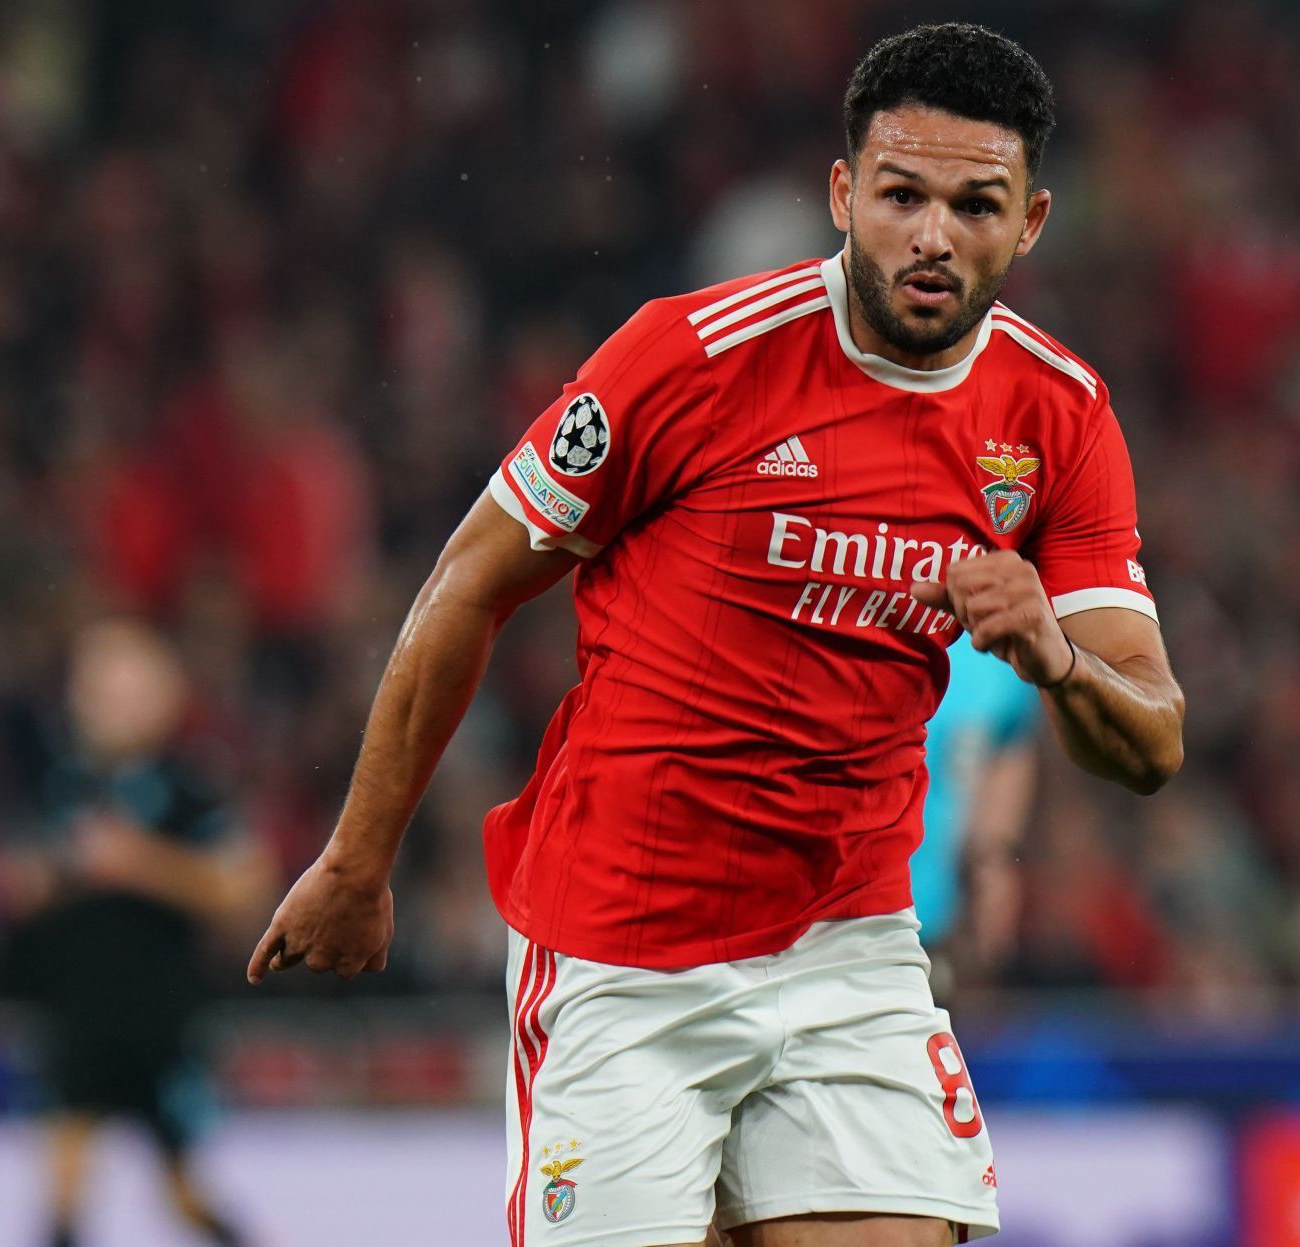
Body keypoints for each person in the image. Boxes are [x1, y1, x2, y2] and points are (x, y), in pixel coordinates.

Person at [249, 23, 1184, 1247]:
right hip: (625, 944)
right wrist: (357, 860)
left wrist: (1054, 657)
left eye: (975, 204)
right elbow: (467, 583)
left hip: (850, 941)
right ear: (843, 192)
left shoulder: (1057, 415)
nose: (933, 235)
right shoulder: (688, 359)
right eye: (901, 194)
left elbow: (1152, 736)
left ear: (1033, 221)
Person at [2, 619, 271, 1247]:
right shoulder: (59, 785)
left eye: (128, 691)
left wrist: (141, 864)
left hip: (161, 1018)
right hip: (76, 1014)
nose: (111, 706)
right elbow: (15, 884)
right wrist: (53, 875)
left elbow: (244, 884)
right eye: (98, 690)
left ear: (164, 698)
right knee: (62, 1196)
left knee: (184, 1196)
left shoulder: (189, 788)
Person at [913, 640, 1040, 990]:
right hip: (824, 912)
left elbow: (1008, 739)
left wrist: (992, 855)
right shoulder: (852, 608)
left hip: (933, 915)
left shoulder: (993, 637)